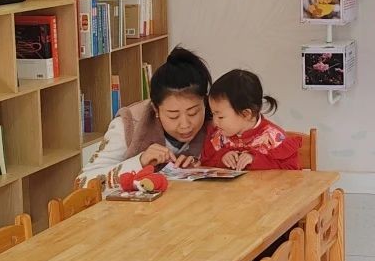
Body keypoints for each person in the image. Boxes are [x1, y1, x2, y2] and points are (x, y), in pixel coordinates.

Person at [80, 46, 213, 186]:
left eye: (193, 113)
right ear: (156, 109)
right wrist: (140, 162)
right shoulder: (129, 125)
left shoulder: (217, 119)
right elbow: (83, 182)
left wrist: (200, 168)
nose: (185, 125)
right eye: (173, 116)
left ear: (205, 102)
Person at [202, 69, 301, 171]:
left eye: (220, 117)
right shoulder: (217, 136)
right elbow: (205, 163)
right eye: (213, 114)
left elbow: (291, 170)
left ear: (246, 114)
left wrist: (256, 160)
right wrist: (222, 158)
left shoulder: (272, 136)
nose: (215, 122)